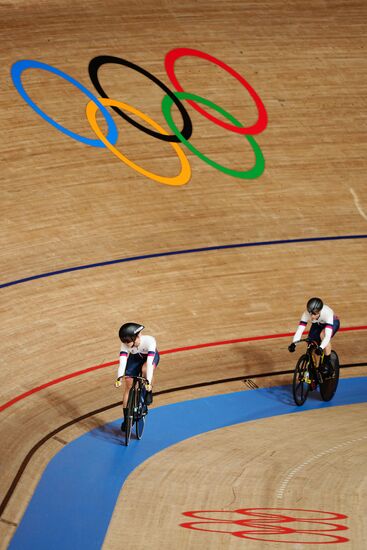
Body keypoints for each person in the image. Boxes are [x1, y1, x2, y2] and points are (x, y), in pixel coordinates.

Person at [115, 322, 159, 432]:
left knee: (145, 370)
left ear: (137, 337)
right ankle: (126, 419)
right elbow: (122, 362)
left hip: (149, 358)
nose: (126, 344)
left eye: (128, 341)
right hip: (135, 358)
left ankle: (148, 391)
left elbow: (149, 364)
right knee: (128, 384)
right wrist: (119, 377)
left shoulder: (150, 341)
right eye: (124, 342)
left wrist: (148, 382)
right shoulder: (125, 344)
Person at [288, 297, 340, 374]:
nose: (311, 316)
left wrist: (321, 348)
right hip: (318, 323)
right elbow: (300, 330)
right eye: (310, 313)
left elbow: (327, 336)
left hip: (333, 322)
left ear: (319, 311)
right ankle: (314, 369)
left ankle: (326, 363)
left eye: (314, 314)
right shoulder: (306, 314)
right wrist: (294, 343)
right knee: (310, 343)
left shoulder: (327, 313)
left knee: (323, 335)